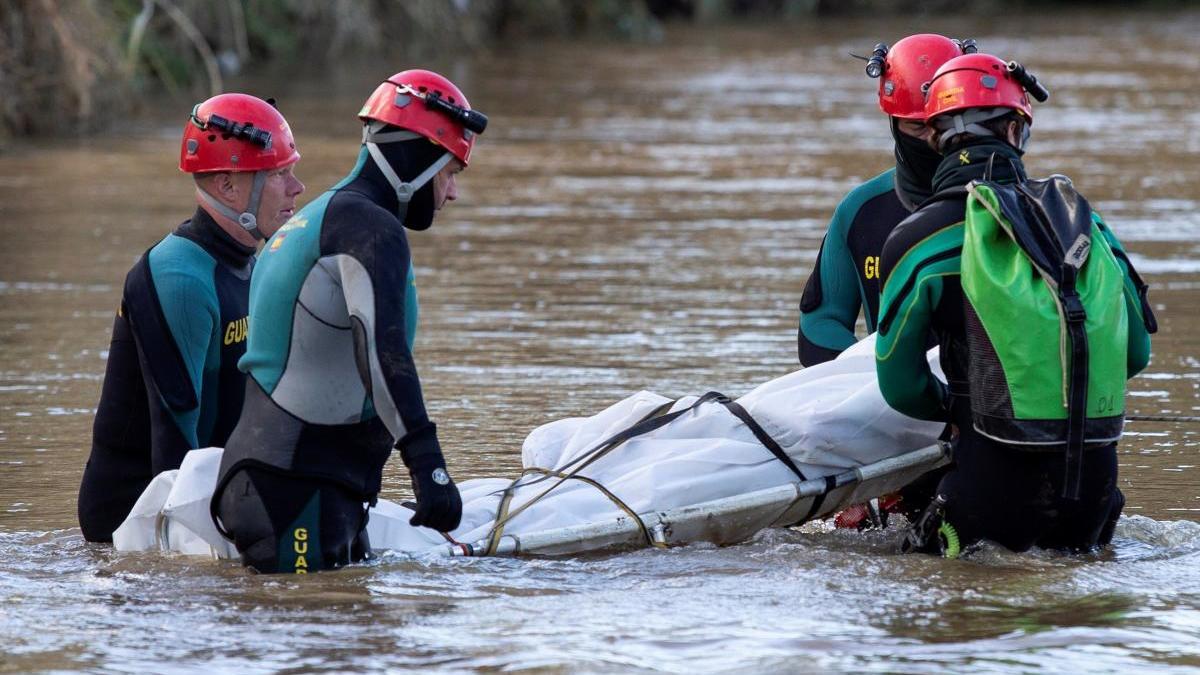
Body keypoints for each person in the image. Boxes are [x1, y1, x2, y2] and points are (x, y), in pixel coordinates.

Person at [875, 53, 1156, 555]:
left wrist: (957, 406)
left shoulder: (916, 240)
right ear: (1014, 132)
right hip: (1093, 492)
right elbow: (1135, 355)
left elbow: (900, 387)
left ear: (937, 136)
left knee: (971, 616)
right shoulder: (1086, 226)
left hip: (987, 490)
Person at [211, 69, 487, 574]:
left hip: (291, 481)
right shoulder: (367, 228)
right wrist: (429, 467)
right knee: (327, 646)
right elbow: (383, 355)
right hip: (295, 488)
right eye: (449, 172)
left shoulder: (317, 218)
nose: (451, 194)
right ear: (418, 159)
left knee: (348, 643)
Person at [77, 94, 304, 542]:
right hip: (133, 522)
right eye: (279, 174)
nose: (297, 187)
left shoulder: (252, 266)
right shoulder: (180, 277)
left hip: (212, 493)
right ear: (227, 186)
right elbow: (174, 452)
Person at [797, 34, 973, 366]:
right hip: (892, 400)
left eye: (943, 124)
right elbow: (819, 327)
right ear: (893, 122)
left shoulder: (1011, 204)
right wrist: (880, 378)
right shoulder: (861, 210)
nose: (933, 139)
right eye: (918, 127)